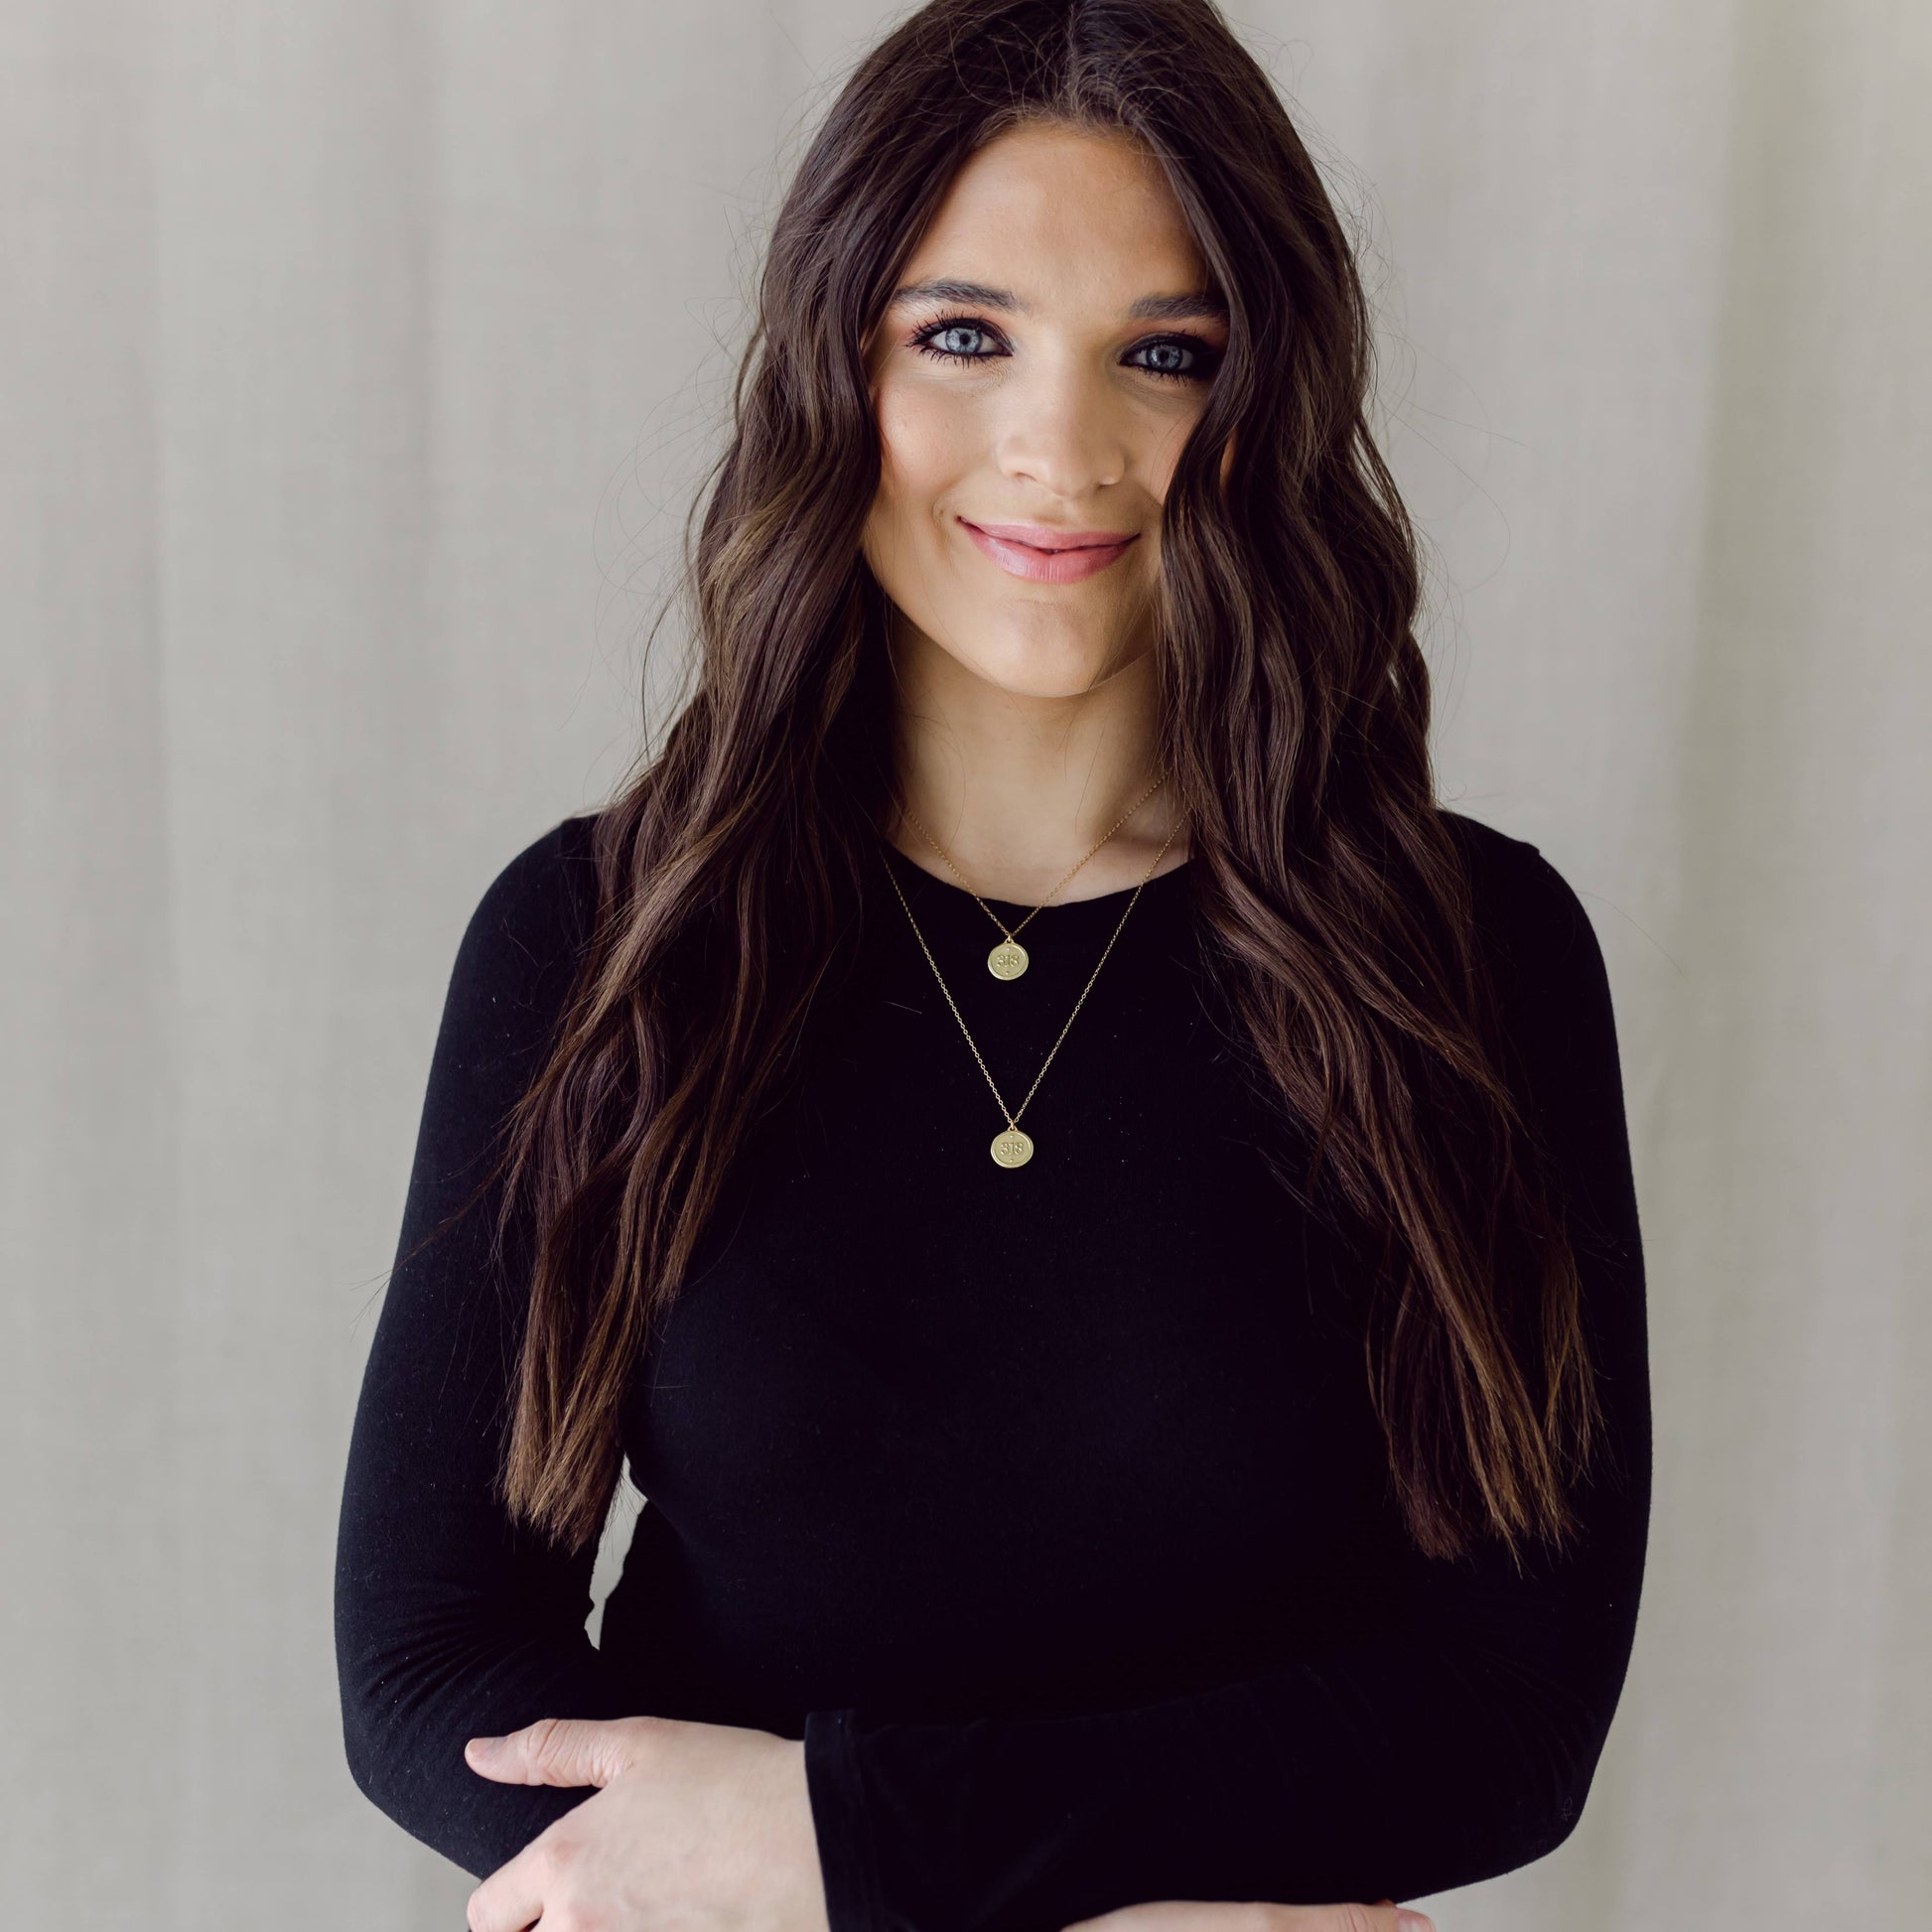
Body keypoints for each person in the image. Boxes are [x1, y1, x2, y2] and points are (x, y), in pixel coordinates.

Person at [333, 2, 1651, 1929]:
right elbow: (430, 1661)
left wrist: (845, 1845)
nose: (1062, 448)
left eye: (1165, 354)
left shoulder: (1467, 960)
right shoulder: (599, 937)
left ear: (1263, 402)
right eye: (965, 335)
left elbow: (1507, 1711)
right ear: (834, 358)